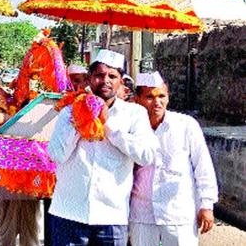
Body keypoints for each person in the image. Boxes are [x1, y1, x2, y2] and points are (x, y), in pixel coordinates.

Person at [47, 49, 158, 246]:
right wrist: (83, 119)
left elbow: (146, 155)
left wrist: (108, 126)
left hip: (111, 216)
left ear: (121, 81)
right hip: (68, 213)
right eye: (99, 75)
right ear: (90, 79)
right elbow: (57, 154)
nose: (105, 80)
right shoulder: (69, 111)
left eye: (112, 76)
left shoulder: (135, 114)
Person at [129, 71, 218, 246]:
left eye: (161, 96)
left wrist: (206, 204)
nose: (157, 102)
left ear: (168, 97)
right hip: (142, 214)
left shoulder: (186, 125)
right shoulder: (130, 128)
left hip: (178, 212)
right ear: (137, 99)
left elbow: (202, 165)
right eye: (149, 96)